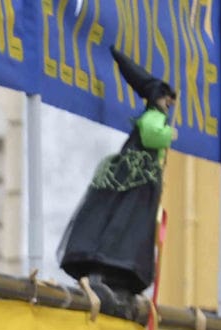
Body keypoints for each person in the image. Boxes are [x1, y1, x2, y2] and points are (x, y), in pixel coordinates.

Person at [59, 48, 176, 304]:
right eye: (167, 97)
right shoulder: (154, 118)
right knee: (126, 220)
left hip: (142, 180)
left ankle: (121, 266)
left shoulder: (155, 116)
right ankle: (112, 262)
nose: (170, 103)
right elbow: (152, 135)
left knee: (131, 223)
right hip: (137, 180)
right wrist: (169, 134)